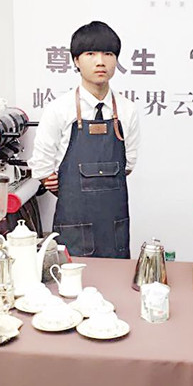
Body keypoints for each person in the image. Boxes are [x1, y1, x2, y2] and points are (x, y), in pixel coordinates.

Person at [30, 21, 140, 258]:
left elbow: (128, 164)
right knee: (71, 276)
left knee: (115, 277)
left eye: (108, 54)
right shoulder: (59, 109)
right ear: (76, 61)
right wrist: (67, 186)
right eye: (91, 54)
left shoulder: (127, 110)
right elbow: (41, 165)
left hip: (113, 222)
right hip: (74, 221)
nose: (100, 62)